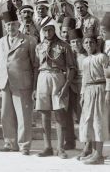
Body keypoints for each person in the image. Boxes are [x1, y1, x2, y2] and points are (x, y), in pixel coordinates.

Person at [33, 20, 75, 159]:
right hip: (42, 77)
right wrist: (34, 87)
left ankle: (60, 148)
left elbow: (71, 67)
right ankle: (47, 147)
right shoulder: (39, 46)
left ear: (54, 29)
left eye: (50, 29)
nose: (47, 32)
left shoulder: (64, 46)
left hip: (58, 77)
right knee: (44, 114)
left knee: (59, 113)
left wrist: (66, 85)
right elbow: (35, 67)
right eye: (45, 30)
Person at [0, 10, 36, 154]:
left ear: (18, 25)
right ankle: (10, 143)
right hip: (5, 81)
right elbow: (1, 60)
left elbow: (34, 64)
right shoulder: (0, 42)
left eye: (13, 24)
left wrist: (34, 85)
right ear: (5, 27)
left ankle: (24, 145)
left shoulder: (29, 40)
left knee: (23, 115)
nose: (11, 27)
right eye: (8, 25)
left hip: (22, 82)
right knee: (6, 114)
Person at [77, 36, 110, 165]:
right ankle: (93, 152)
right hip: (89, 92)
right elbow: (84, 79)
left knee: (98, 121)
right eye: (86, 42)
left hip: (100, 90)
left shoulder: (102, 57)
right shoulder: (85, 60)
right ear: (83, 45)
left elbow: (108, 76)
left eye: (91, 42)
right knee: (89, 121)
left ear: (96, 44)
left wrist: (108, 92)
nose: (89, 44)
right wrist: (82, 95)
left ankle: (99, 155)